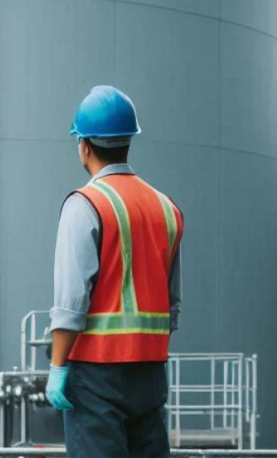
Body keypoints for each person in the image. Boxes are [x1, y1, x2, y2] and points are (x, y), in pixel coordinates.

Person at [46, 85, 184, 458]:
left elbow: (71, 303)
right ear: (128, 141)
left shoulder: (85, 205)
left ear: (84, 145)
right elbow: (172, 305)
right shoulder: (166, 207)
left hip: (96, 375)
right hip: (151, 372)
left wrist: (58, 367)